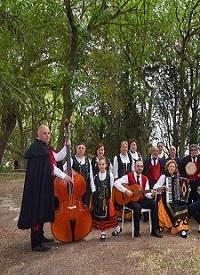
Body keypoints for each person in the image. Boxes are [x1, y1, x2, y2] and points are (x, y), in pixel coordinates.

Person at [18, 125, 69, 252]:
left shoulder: (45, 148)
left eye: (49, 133)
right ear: (39, 134)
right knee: (36, 209)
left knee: (41, 209)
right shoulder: (37, 148)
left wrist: (66, 145)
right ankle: (35, 243)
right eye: (45, 133)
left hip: (43, 185)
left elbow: (57, 158)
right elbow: (52, 167)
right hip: (36, 187)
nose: (48, 135)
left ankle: (40, 236)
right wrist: (64, 176)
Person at [114, 160, 162, 238]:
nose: (139, 168)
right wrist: (126, 191)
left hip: (141, 199)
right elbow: (116, 183)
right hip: (129, 200)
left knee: (154, 204)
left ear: (143, 168)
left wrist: (152, 194)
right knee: (137, 207)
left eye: (141, 166)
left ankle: (155, 230)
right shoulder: (128, 176)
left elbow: (146, 193)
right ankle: (137, 230)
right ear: (134, 167)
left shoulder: (145, 178)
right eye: (138, 166)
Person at [154, 160, 189, 238]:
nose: (172, 168)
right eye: (171, 166)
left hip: (176, 200)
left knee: (184, 207)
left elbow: (182, 189)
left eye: (174, 166)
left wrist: (187, 190)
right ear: (167, 167)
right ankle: (180, 229)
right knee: (174, 208)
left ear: (175, 168)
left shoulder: (177, 177)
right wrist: (162, 187)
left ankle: (182, 228)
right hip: (166, 199)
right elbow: (155, 186)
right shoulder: (163, 176)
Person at [92, 157, 122, 241]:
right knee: (101, 216)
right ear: (98, 165)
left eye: (103, 164)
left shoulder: (110, 175)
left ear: (106, 165)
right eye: (100, 164)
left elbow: (111, 187)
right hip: (99, 200)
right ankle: (103, 233)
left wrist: (109, 199)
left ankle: (118, 228)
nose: (101, 166)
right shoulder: (96, 176)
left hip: (107, 200)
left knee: (111, 215)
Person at [64, 142, 95, 207]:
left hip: (86, 188)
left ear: (85, 150)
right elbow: (63, 170)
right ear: (76, 149)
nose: (81, 149)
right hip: (75, 188)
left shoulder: (88, 160)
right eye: (79, 148)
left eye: (83, 148)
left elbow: (91, 175)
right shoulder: (71, 160)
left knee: (85, 205)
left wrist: (93, 188)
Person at [112, 141, 132, 220]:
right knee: (120, 198)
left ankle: (128, 215)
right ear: (120, 148)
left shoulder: (130, 157)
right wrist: (117, 181)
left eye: (126, 147)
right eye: (123, 147)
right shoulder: (117, 157)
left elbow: (132, 169)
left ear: (127, 148)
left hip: (128, 181)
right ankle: (119, 215)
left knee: (127, 197)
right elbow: (115, 171)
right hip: (119, 180)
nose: (124, 148)